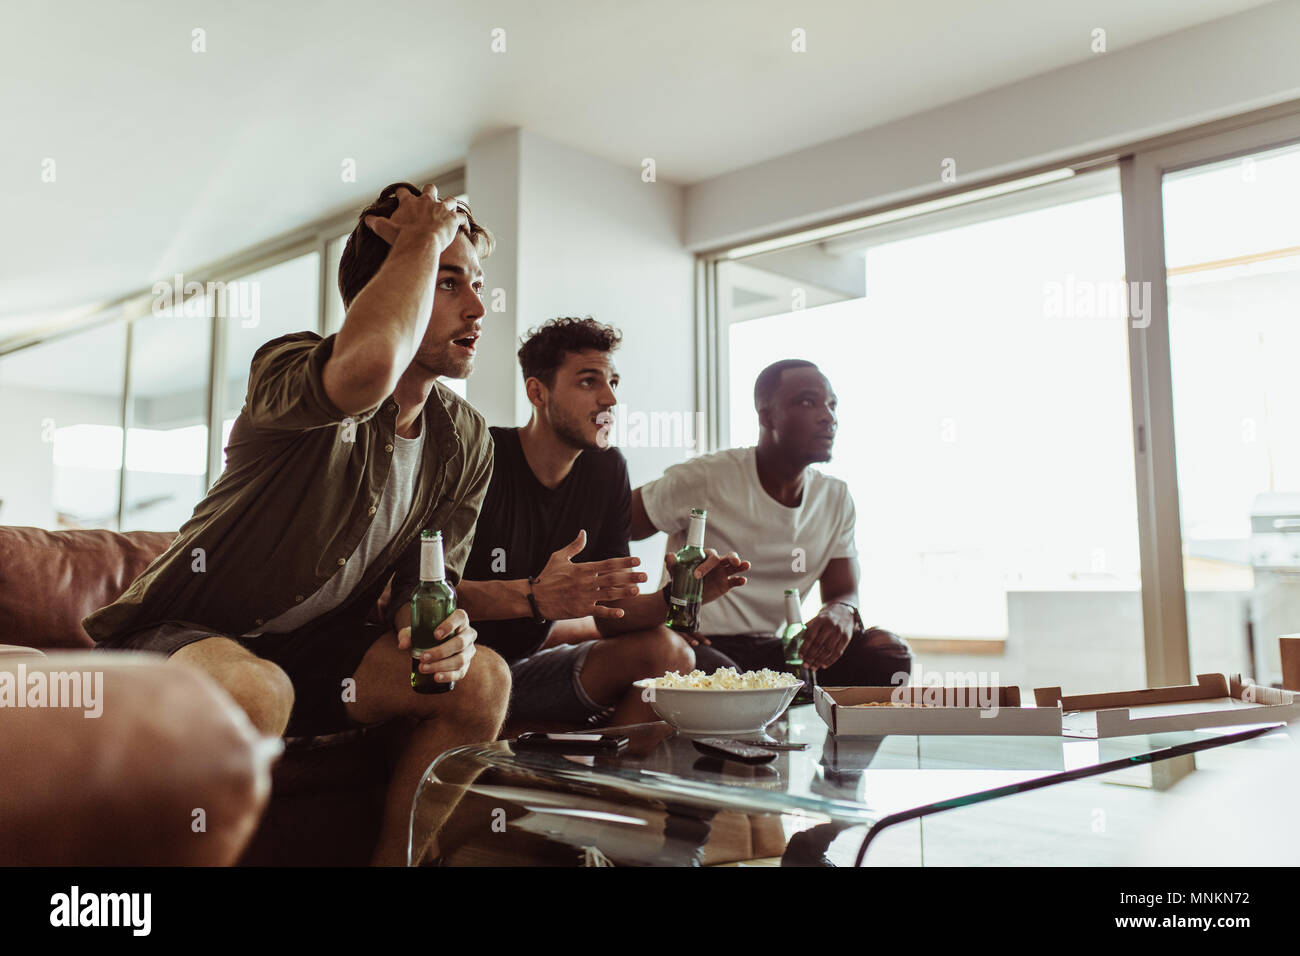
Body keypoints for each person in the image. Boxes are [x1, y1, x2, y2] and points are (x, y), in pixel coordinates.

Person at [86, 182, 509, 866]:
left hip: (316, 650)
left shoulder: (467, 440)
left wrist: (439, 628)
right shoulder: (288, 367)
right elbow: (367, 368)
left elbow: (424, 580)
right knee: (257, 689)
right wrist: (421, 239)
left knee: (483, 680)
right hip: (184, 635)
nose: (478, 307)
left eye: (478, 284)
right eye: (446, 281)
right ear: (391, 287)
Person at [456, 317, 750, 727]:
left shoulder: (607, 469)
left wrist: (680, 596)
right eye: (588, 382)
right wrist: (534, 596)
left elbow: (613, 616)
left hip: (529, 669)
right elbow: (420, 594)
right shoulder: (482, 457)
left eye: (613, 383)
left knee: (671, 654)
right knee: (485, 670)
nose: (609, 399)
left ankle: (611, 785)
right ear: (537, 392)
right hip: (458, 668)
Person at [630, 359, 912, 686]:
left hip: (772, 646)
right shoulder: (705, 478)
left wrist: (842, 611)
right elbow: (612, 526)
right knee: (734, 686)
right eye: (808, 402)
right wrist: (653, 622)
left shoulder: (835, 497)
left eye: (832, 405)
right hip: (699, 644)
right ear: (766, 416)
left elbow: (842, 590)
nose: (828, 416)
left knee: (889, 656)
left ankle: (842, 740)